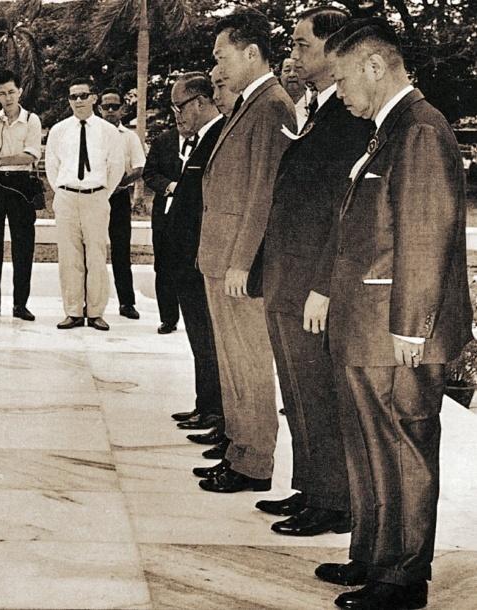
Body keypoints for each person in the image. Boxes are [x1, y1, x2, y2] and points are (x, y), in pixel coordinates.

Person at [314, 18, 471, 610]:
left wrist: (412, 325)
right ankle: (373, 555)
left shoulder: (420, 130)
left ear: (375, 67)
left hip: (395, 330)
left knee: (403, 447)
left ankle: (403, 578)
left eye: (342, 78)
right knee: (370, 445)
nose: (339, 91)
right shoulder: (391, 128)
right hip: (367, 325)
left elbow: (426, 233)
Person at [259, 6, 373, 538]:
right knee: (299, 390)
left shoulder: (350, 120)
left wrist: (322, 284)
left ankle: (333, 500)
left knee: (319, 393)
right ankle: (311, 487)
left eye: (303, 44)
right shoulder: (319, 111)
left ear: (335, 50)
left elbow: (344, 214)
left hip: (310, 282)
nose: (294, 54)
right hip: (289, 277)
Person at [196, 8, 296, 493]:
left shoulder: (272, 105)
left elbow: (263, 192)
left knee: (249, 362)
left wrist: (242, 261)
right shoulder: (248, 104)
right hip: (220, 255)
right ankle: (238, 448)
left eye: (222, 56)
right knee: (232, 360)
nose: (217, 66)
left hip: (238, 261)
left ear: (251, 53)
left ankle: (254, 462)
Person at [157, 73, 225, 438]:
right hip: (186, 258)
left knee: (208, 338)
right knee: (199, 337)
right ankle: (206, 405)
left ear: (199, 102)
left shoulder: (217, 137)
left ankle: (216, 411)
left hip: (200, 258)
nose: (177, 115)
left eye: (179, 107)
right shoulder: (201, 139)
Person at [45, 77, 125, 331]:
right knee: (69, 257)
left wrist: (101, 193)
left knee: (96, 256)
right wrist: (64, 191)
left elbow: (116, 167)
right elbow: (51, 166)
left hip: (96, 197)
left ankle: (96, 312)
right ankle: (73, 312)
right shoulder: (59, 130)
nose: (78, 101)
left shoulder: (108, 131)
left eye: (83, 95)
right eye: (73, 97)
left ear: (93, 98)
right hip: (67, 196)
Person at [0, 70, 42, 322]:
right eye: (2, 93)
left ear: (20, 91)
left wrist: (0, 160)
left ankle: (20, 304)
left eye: (12, 92)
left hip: (21, 184)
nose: (8, 97)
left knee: (23, 246)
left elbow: (30, 155)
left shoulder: (31, 120)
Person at [98, 88, 147, 320]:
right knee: (92, 251)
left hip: (118, 198)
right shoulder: (91, 133)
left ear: (123, 110)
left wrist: (120, 181)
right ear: (99, 109)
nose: (110, 111)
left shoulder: (129, 137)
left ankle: (126, 303)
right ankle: (90, 303)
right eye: (106, 106)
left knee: (121, 251)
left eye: (114, 106)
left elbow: (139, 166)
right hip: (94, 198)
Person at [142, 127, 183, 336]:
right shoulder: (163, 141)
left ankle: (199, 319)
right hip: (165, 213)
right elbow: (149, 174)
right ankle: (168, 318)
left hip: (197, 213)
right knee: (164, 266)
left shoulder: (210, 137)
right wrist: (170, 186)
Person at [280, 57, 314, 131]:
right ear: (280, 76)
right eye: (287, 70)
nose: (292, 75)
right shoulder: (274, 102)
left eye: (297, 70)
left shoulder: (315, 101)